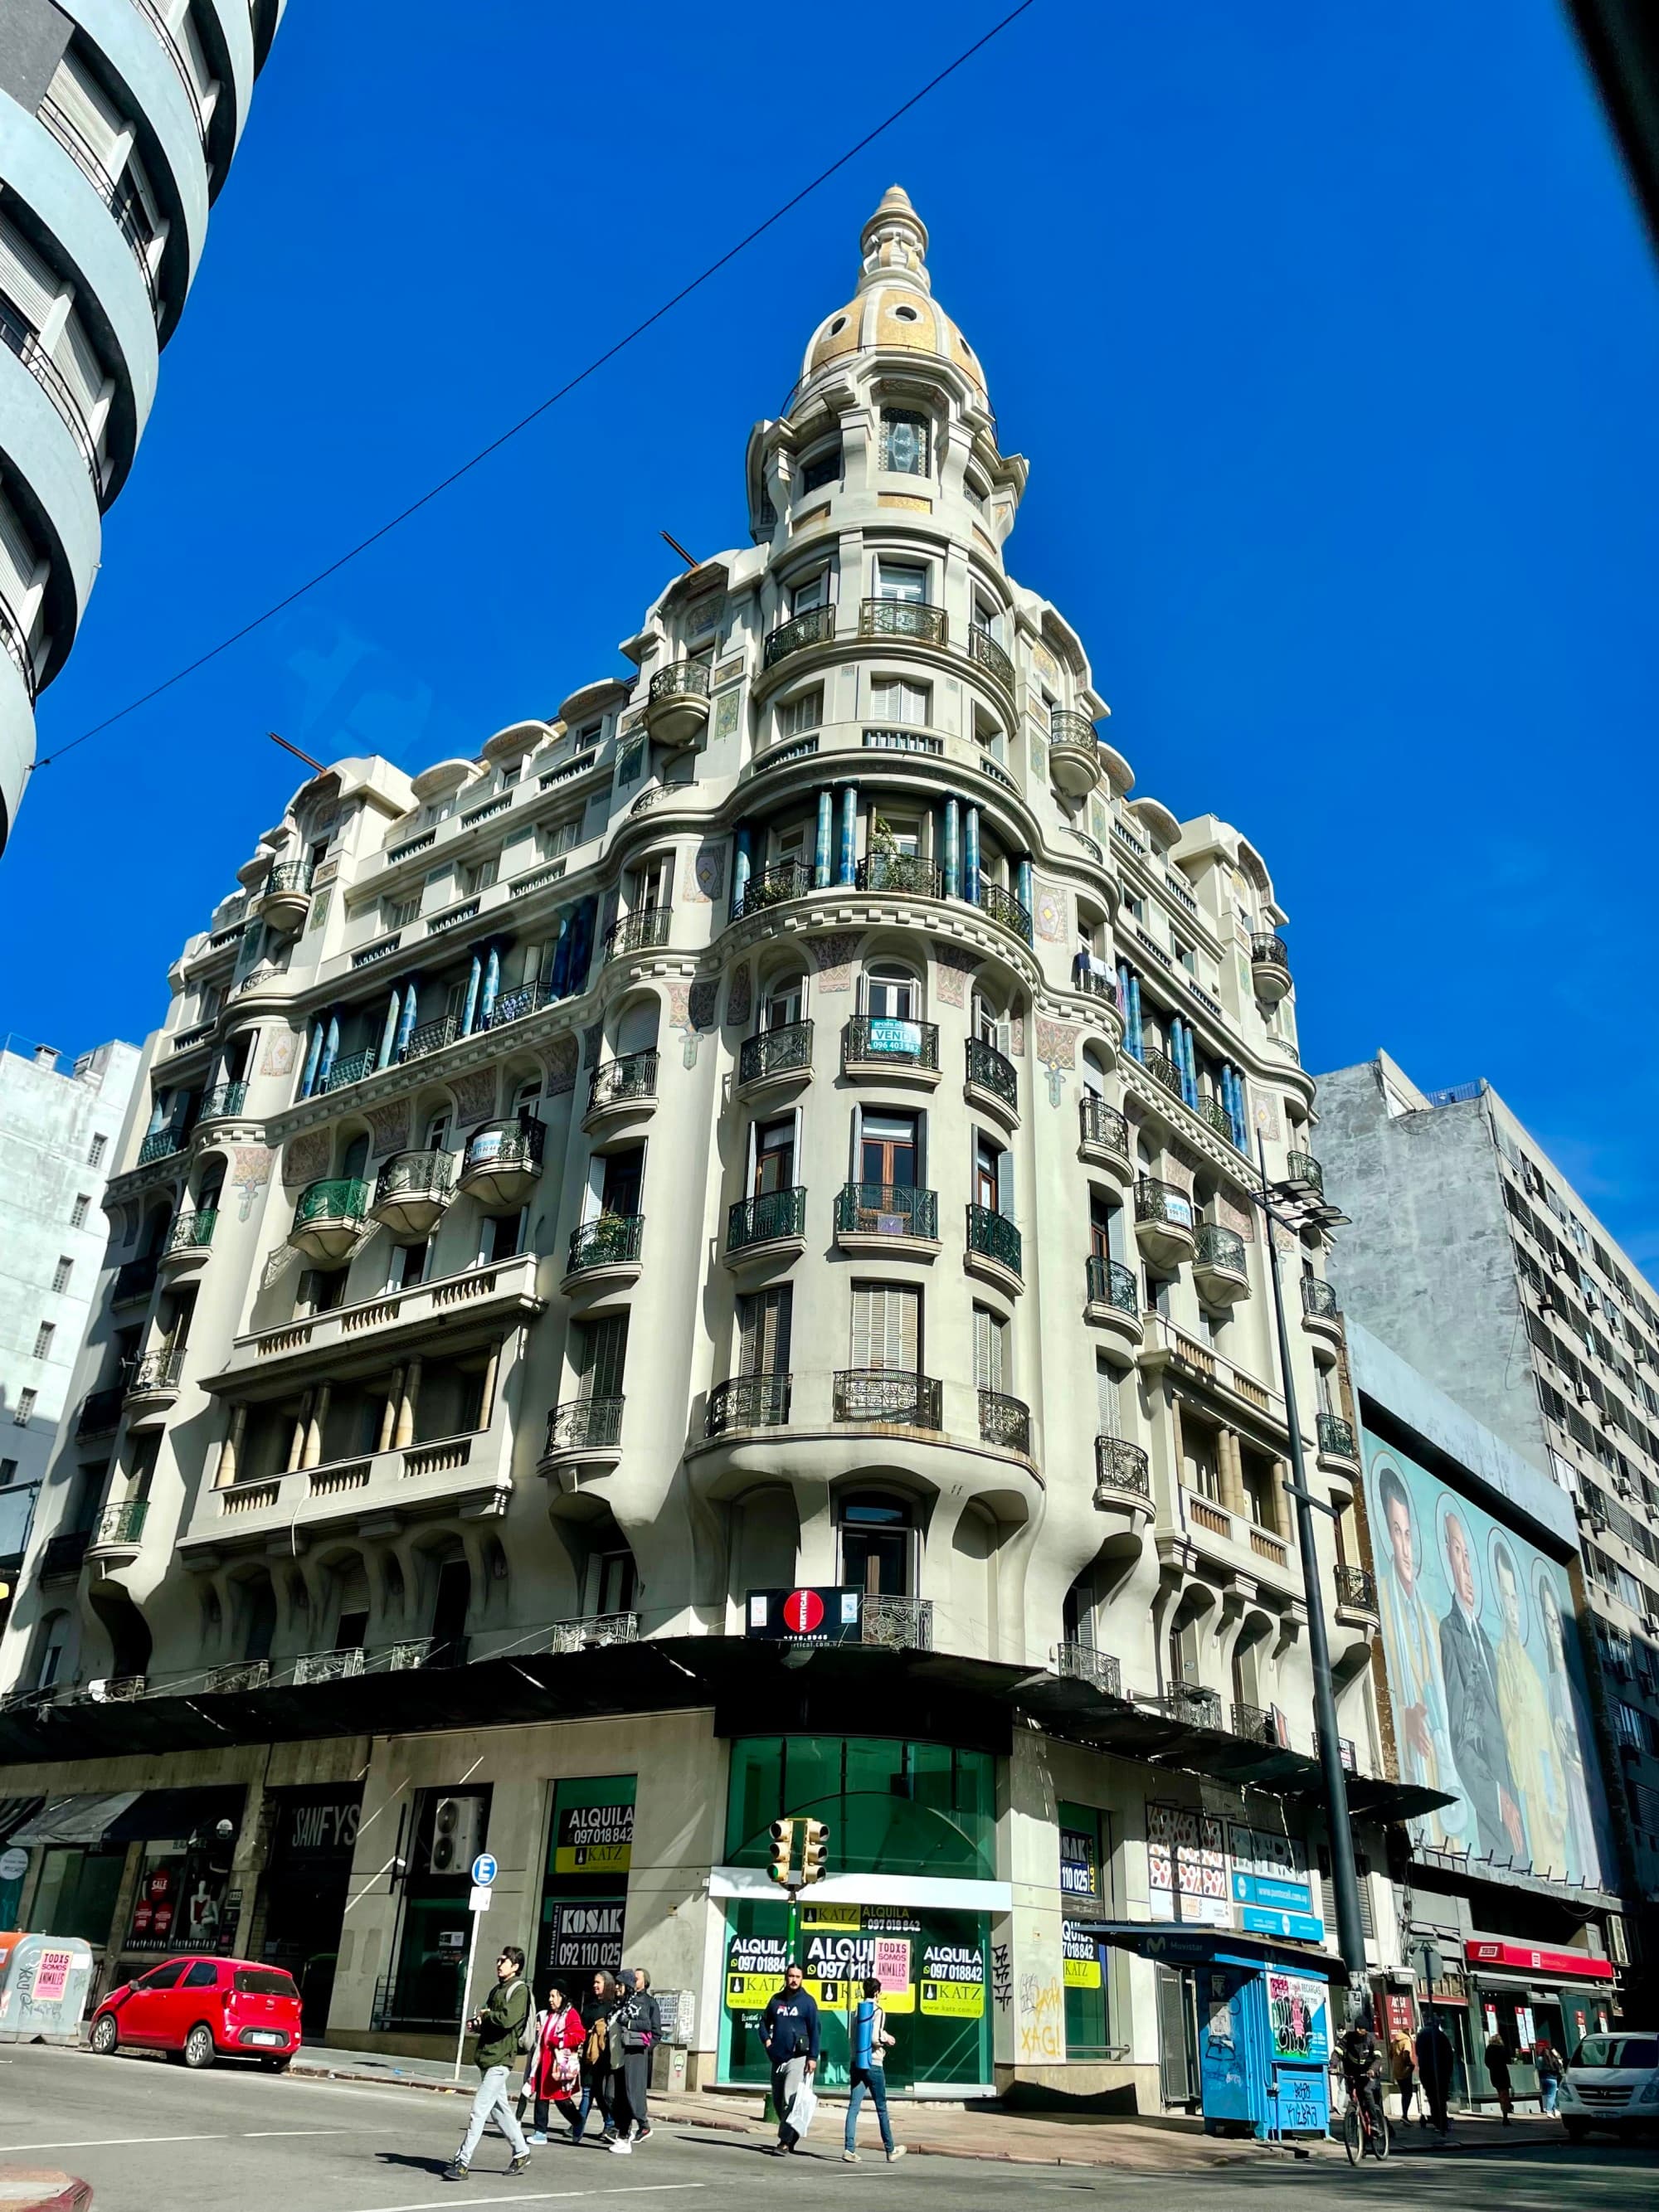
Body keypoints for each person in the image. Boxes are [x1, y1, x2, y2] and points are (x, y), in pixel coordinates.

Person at [1439, 1513, 1525, 1862]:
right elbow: (1462, 1739)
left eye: (1468, 1555)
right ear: (1447, 1559)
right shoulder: (1449, 1632)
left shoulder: (1487, 1643)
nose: (1467, 1568)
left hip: (1513, 1801)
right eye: (1458, 1554)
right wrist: (1497, 1797)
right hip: (1491, 1808)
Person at [444, 1944, 533, 2183]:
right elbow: (491, 2019)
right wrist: (478, 2024)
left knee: (479, 2110)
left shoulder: (520, 1990)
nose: (499, 1963)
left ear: (515, 1966)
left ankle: (462, 2162)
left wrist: (486, 2016)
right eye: (498, 1959)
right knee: (500, 2110)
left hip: (501, 2060)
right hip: (488, 2056)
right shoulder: (497, 1989)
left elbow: (507, 2020)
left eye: (504, 1960)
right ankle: (522, 2151)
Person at [843, 1976, 906, 2166]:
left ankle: (849, 2148)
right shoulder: (878, 2010)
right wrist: (886, 2039)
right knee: (882, 2109)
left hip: (857, 2063)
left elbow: (854, 2035)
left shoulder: (857, 2011)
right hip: (874, 2063)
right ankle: (890, 2149)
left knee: (854, 2107)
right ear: (877, 1992)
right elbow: (874, 2037)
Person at [759, 1960, 820, 2154]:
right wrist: (767, 2042)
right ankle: (791, 2135)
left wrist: (813, 2057)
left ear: (802, 1979)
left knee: (789, 2098)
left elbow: (815, 2030)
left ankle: (784, 2142)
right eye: (791, 1976)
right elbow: (763, 2023)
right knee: (778, 2102)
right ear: (786, 1978)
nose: (793, 1980)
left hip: (798, 2057)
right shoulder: (776, 2000)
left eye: (797, 1977)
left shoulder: (808, 2002)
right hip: (777, 2058)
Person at [606, 1967, 662, 2155]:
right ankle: (622, 2131)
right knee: (611, 2096)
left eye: (620, 1984)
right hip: (615, 2057)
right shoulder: (619, 2004)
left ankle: (624, 2134)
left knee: (626, 2098)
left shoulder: (642, 2003)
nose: (617, 1988)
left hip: (630, 2057)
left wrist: (644, 2047)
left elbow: (649, 2026)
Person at [523, 1977, 585, 2143]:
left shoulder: (571, 2014)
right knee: (541, 2097)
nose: (550, 2000)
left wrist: (559, 2040)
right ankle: (540, 2131)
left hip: (558, 2065)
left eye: (554, 1996)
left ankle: (578, 2121)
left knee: (562, 2100)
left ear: (562, 1997)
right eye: (549, 1996)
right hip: (544, 2063)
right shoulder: (548, 2014)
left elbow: (579, 2035)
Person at [572, 1969, 619, 2146]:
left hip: (602, 2058)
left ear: (607, 1985)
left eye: (598, 1982)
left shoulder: (611, 2007)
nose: (595, 1985)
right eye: (594, 1982)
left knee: (592, 2093)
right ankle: (608, 2124)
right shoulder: (591, 2006)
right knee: (591, 2092)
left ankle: (578, 2128)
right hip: (587, 2057)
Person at [1338, 2015, 1385, 2154]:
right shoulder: (1348, 2038)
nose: (1360, 2031)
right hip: (1353, 2074)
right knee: (1355, 2101)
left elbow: (1378, 2058)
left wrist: (1372, 2070)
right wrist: (1332, 2065)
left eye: (1362, 2029)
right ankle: (1361, 2143)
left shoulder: (1371, 2039)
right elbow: (1338, 2051)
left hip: (1369, 2074)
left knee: (1367, 2092)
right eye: (1358, 2028)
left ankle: (1375, 2123)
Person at [1414, 2010, 1454, 2137]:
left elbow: (1418, 2053)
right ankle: (1442, 2123)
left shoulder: (1421, 2035)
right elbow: (1448, 2055)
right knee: (1441, 2098)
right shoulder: (1441, 2036)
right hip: (1440, 2071)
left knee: (1432, 2097)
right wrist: (1448, 2072)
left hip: (1426, 2071)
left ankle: (1437, 2122)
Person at [1485, 2031, 1514, 2125]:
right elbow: (1507, 2059)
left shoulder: (1489, 2049)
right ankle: (1505, 2115)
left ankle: (1505, 2110)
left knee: (1500, 2093)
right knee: (1504, 2094)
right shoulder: (1502, 2049)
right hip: (1503, 2072)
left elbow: (1487, 2061)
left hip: (1494, 2073)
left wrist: (1492, 2068)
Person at [1389, 2028, 1416, 2124]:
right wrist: (1410, 2065)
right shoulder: (1406, 2041)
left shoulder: (1394, 2042)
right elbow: (1406, 2054)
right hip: (1405, 2071)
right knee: (1408, 2094)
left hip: (1397, 2071)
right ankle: (1405, 2115)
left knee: (1404, 2093)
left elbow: (1390, 2055)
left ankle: (1404, 2115)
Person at [1536, 2041, 1565, 2116]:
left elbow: (1538, 2068)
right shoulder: (1553, 2059)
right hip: (1552, 2078)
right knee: (1552, 2095)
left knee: (1548, 2095)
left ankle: (1555, 2109)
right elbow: (1560, 2064)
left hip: (1543, 2079)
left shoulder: (1540, 2058)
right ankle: (1549, 2111)